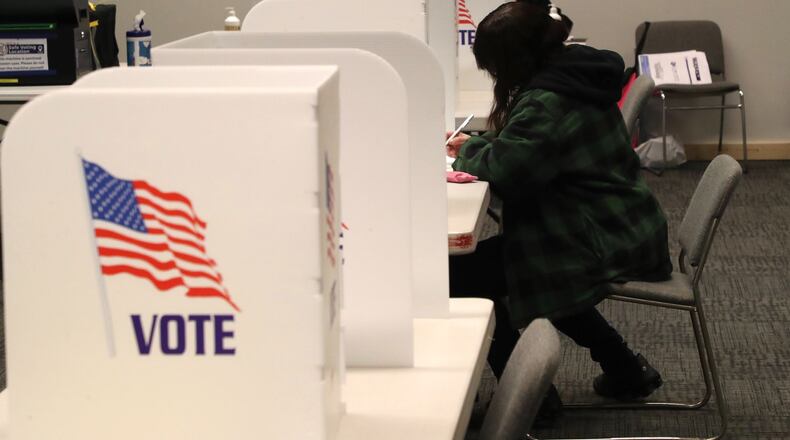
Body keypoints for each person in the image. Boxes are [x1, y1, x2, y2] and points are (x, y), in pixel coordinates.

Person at [447, 1, 672, 402]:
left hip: (594, 235)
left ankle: (528, 400)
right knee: (519, 269)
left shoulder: (548, 100)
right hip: (619, 221)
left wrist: (470, 152)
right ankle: (623, 367)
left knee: (460, 277)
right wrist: (483, 144)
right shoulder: (573, 72)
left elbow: (510, 170)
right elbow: (532, 148)